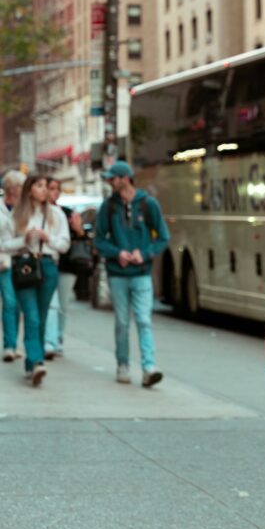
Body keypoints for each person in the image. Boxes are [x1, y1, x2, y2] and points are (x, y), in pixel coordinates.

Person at [94, 161, 170, 387]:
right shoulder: (108, 207)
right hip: (117, 273)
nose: (110, 182)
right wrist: (117, 253)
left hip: (141, 273)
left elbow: (163, 237)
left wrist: (144, 254)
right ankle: (123, 364)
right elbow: (99, 241)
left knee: (144, 320)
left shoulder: (148, 204)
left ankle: (149, 367)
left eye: (113, 178)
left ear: (126, 178)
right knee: (122, 322)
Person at [0, 174, 70, 386]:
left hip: (48, 266)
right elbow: (4, 245)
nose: (44, 190)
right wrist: (25, 239)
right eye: (39, 186)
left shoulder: (56, 214)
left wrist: (48, 238)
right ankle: (38, 361)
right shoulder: (18, 215)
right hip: (25, 266)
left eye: (46, 186)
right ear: (29, 189)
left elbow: (64, 245)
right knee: (31, 317)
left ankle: (31, 363)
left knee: (41, 316)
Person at [44, 179, 92, 359]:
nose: (55, 192)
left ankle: (58, 337)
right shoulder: (38, 212)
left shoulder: (67, 213)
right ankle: (48, 339)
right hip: (46, 263)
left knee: (62, 305)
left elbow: (82, 239)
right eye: (51, 188)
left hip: (67, 264)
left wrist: (78, 229)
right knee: (49, 304)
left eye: (57, 189)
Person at [0, 170, 26, 362]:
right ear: (12, 188)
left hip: (19, 262)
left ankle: (13, 343)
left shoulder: (24, 210)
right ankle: (9, 345)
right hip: (3, 262)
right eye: (21, 187)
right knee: (9, 302)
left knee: (16, 304)